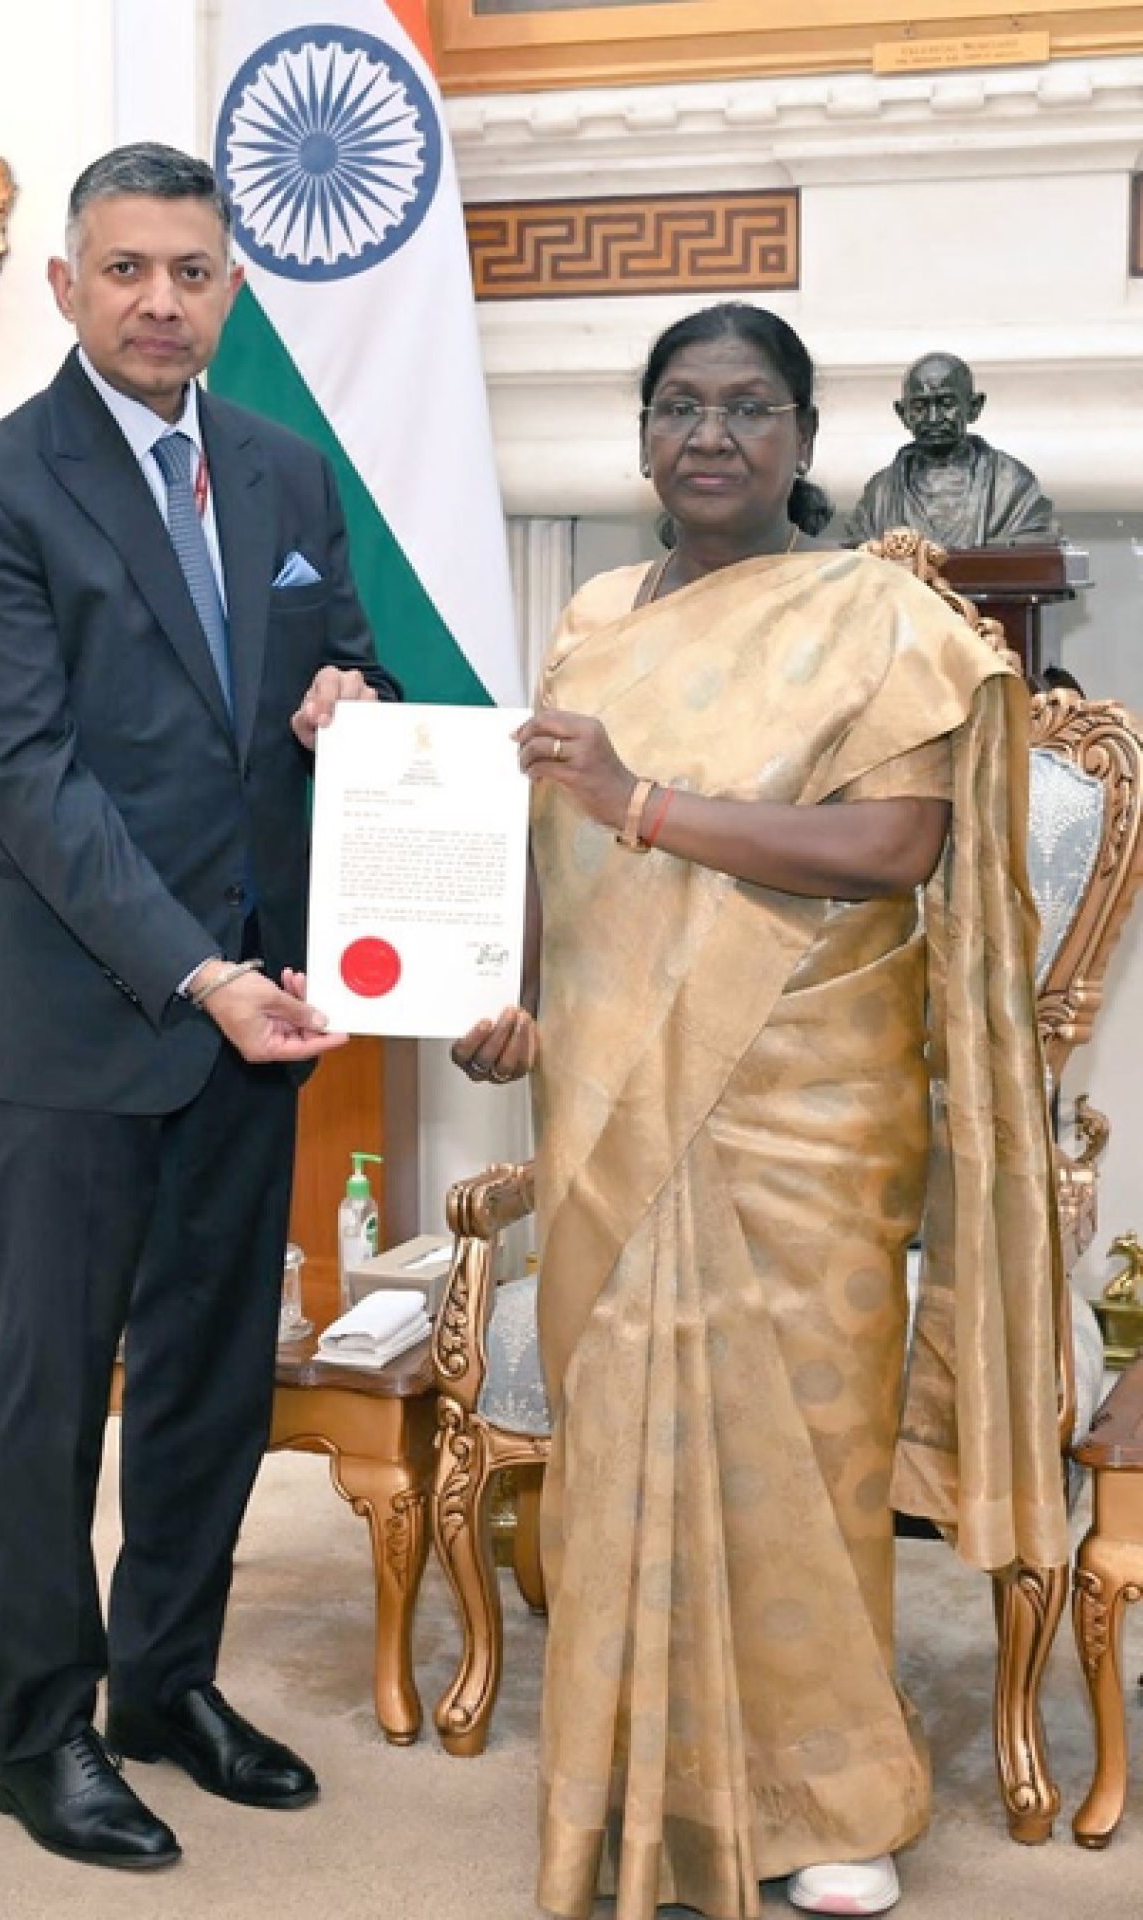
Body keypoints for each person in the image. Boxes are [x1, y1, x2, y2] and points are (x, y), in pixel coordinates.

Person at [452, 303, 1065, 1919]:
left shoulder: (877, 617)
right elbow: (548, 842)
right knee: (622, 1443)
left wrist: (644, 803)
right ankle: (640, 1780)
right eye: (676, 407)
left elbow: (899, 851)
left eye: (746, 408)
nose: (707, 435)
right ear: (641, 434)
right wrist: (507, 989)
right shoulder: (591, 615)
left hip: (812, 1090)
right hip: (608, 1087)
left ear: (804, 437)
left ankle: (827, 1805)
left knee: (804, 1447)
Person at [0, 142, 399, 1872]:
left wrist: (353, 688)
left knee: (211, 1375)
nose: (159, 300)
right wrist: (194, 972)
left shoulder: (281, 469)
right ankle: (34, 1733)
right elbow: (31, 782)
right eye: (125, 269)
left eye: (190, 271)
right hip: (87, 1015)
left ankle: (163, 1683)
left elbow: (352, 662)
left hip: (261, 1005)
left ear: (232, 290)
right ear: (64, 285)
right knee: (51, 1393)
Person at [843, 351, 1058, 548]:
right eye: (920, 407)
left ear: (974, 407)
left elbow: (1037, 548)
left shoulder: (1012, 485)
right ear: (902, 413)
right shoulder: (879, 494)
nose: (933, 418)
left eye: (946, 404)